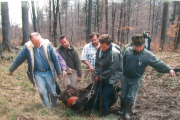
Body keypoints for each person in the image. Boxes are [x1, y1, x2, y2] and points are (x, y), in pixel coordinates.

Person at [120, 34, 175, 119]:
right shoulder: (127, 51)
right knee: (123, 95)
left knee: (131, 96)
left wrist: (169, 69)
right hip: (125, 76)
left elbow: (158, 62)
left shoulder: (147, 55)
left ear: (143, 45)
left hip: (136, 78)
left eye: (140, 47)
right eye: (136, 47)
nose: (138, 49)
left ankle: (127, 112)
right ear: (133, 45)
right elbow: (122, 62)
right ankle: (122, 109)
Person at [9, 32, 61, 109]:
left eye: (38, 42)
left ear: (41, 39)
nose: (37, 45)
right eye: (35, 43)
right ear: (31, 41)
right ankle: (47, 108)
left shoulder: (47, 45)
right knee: (42, 92)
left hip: (49, 71)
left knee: (52, 92)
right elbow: (19, 59)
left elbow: (55, 59)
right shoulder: (27, 48)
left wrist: (59, 72)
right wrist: (11, 69)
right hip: (37, 73)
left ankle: (55, 105)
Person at [94, 34, 123, 116]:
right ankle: (97, 109)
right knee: (96, 93)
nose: (103, 49)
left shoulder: (115, 53)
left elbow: (112, 70)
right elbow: (97, 63)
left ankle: (103, 113)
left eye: (105, 47)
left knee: (105, 95)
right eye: (101, 46)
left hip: (112, 76)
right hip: (102, 74)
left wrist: (99, 77)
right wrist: (96, 75)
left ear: (109, 45)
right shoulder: (100, 49)